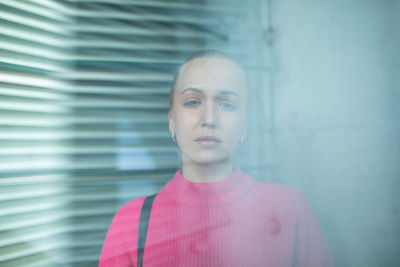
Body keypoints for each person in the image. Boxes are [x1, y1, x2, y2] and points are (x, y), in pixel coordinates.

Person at [99, 50, 335, 266]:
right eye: (192, 102)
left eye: (227, 104)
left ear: (245, 125)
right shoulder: (132, 222)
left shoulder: (289, 208)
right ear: (172, 121)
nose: (209, 119)